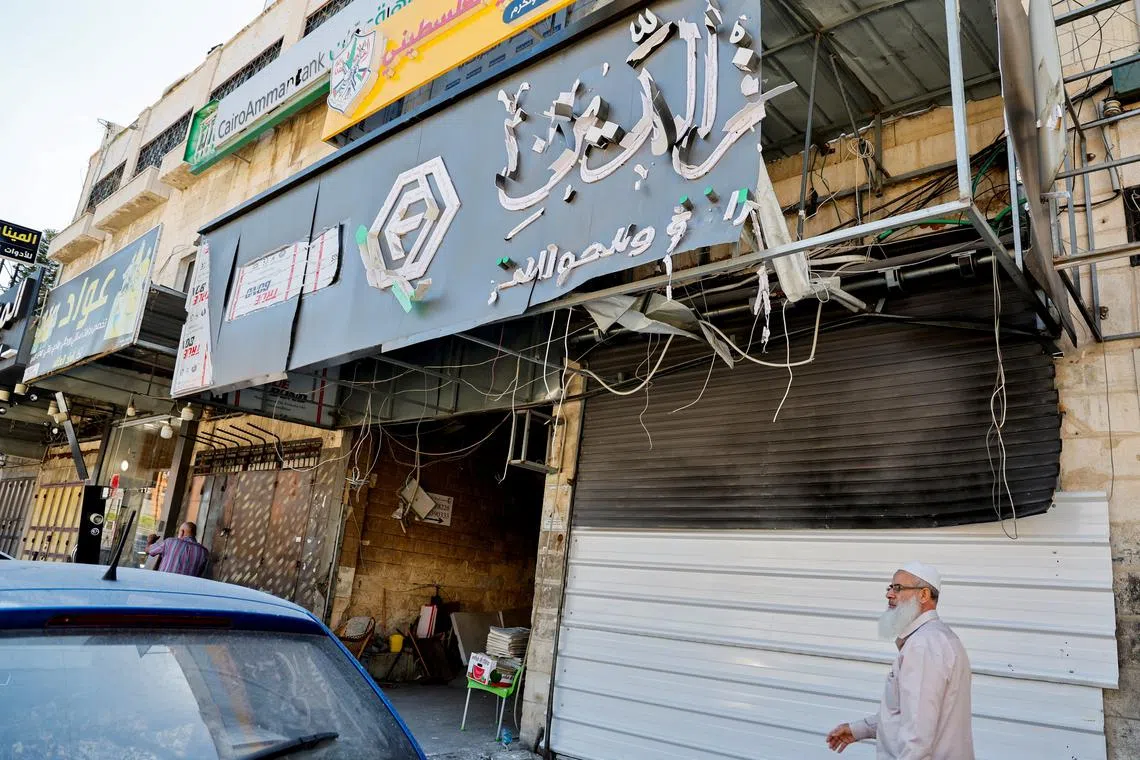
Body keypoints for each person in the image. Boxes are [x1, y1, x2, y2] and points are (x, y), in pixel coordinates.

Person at [826, 561, 974, 759]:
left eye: (898, 588)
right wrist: (859, 730)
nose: (889, 594)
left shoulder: (923, 644)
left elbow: (917, 735)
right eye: (890, 587)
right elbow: (907, 714)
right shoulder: (937, 637)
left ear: (924, 595)